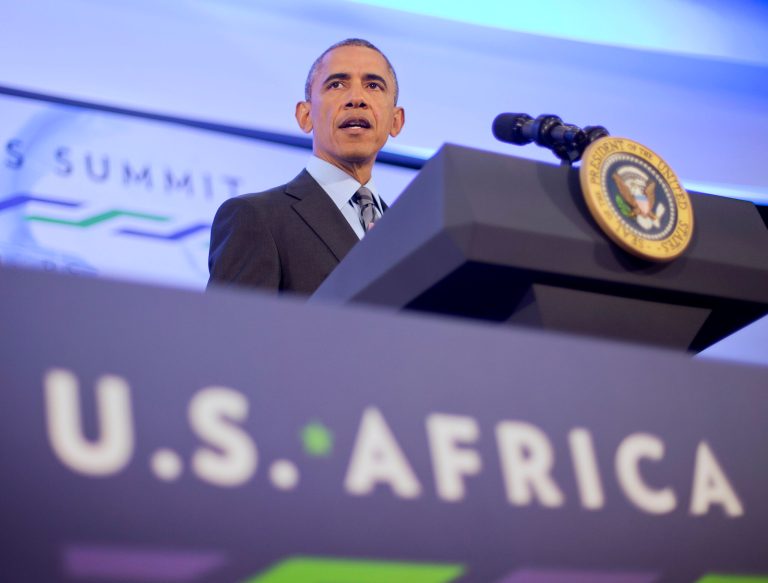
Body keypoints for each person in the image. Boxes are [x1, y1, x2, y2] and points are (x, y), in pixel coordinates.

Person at [207, 38, 405, 294]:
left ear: (396, 121)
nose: (357, 98)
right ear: (305, 115)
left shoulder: (409, 236)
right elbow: (230, 331)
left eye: (373, 85)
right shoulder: (256, 217)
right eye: (336, 84)